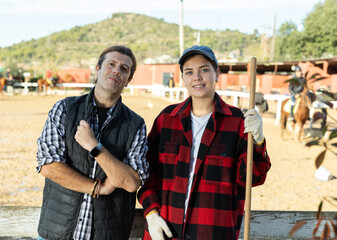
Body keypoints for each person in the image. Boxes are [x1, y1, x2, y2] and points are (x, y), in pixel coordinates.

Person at [137, 45, 271, 240]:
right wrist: (151, 213)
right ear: (183, 78)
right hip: (165, 232)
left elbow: (252, 178)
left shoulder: (238, 122)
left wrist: (258, 142)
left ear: (217, 74)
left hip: (213, 232)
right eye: (189, 72)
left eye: (204, 70)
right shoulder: (166, 119)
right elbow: (146, 172)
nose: (197, 77)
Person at [36, 45, 149, 240]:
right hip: (56, 232)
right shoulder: (64, 109)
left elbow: (131, 182)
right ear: (98, 68)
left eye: (124, 69)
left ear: (129, 80)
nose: (116, 70)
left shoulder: (136, 124)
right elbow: (49, 166)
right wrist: (98, 188)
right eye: (111, 64)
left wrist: (95, 147)